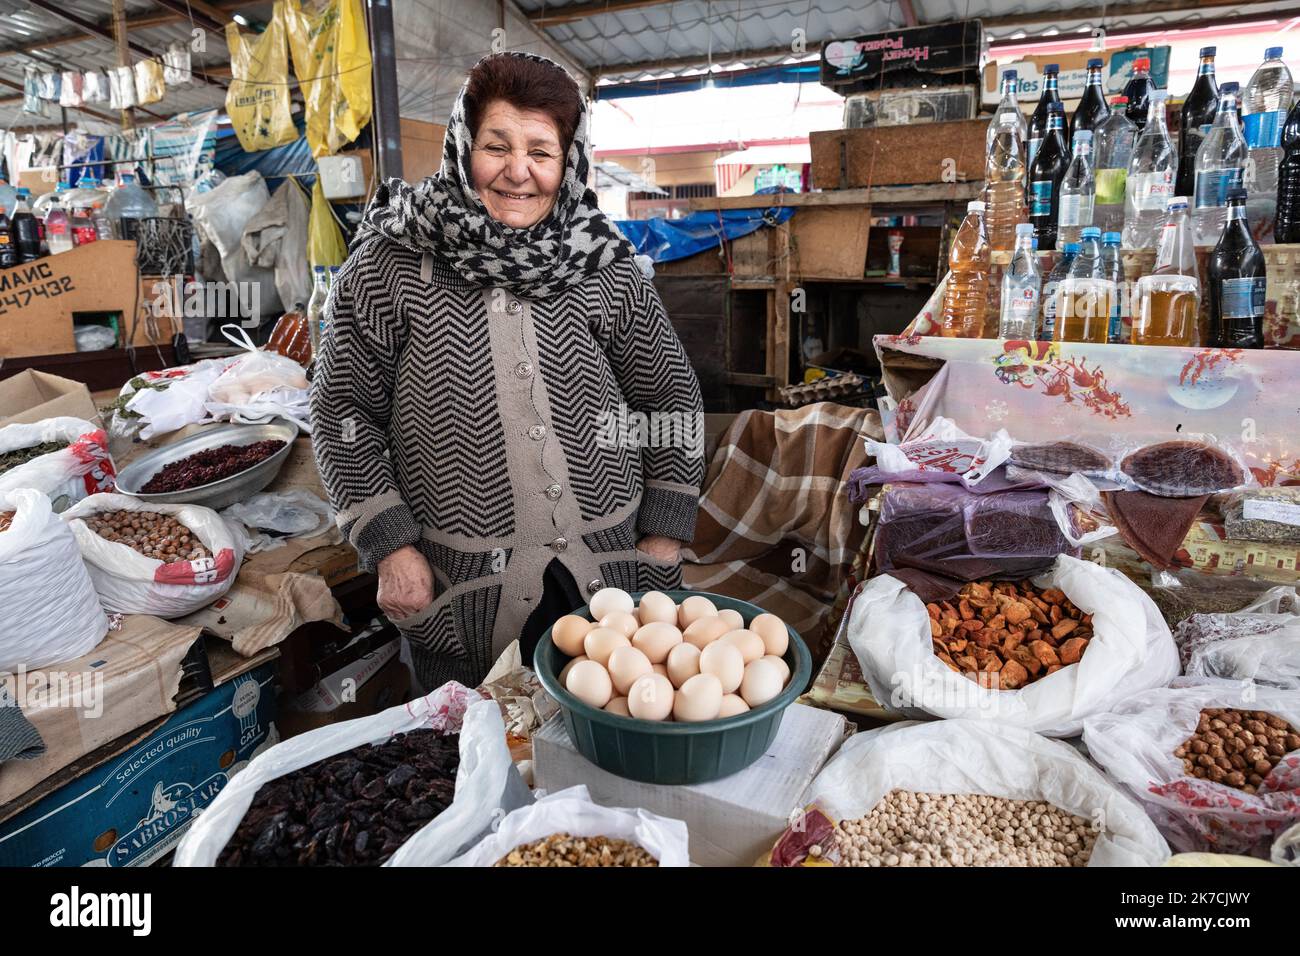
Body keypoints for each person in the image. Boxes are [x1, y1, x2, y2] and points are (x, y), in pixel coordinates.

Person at [310, 51, 704, 690]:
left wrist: (663, 536)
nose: (519, 173)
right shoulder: (390, 264)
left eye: (541, 153)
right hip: (463, 587)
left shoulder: (604, 262)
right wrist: (391, 545)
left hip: (611, 570)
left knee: (610, 746)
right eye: (497, 146)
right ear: (464, 148)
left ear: (567, 161)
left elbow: (669, 398)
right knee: (483, 757)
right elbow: (343, 412)